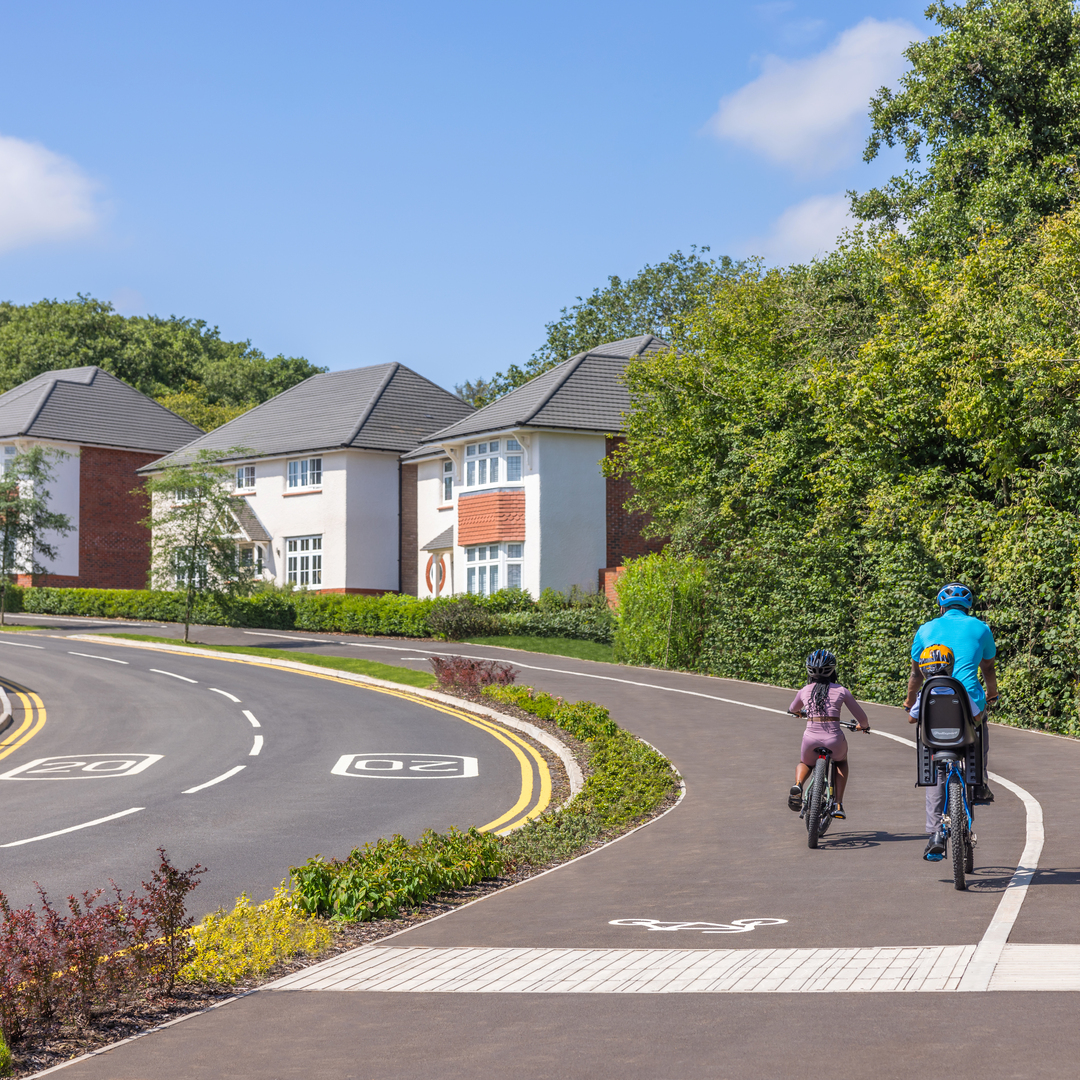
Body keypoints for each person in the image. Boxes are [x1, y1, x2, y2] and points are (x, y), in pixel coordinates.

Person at [904, 583, 998, 860]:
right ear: (969, 606)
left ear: (941, 606)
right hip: (969, 698)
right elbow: (988, 667)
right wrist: (991, 693)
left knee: (936, 768)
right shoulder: (981, 628)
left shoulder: (926, 629)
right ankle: (979, 781)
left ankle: (934, 832)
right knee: (978, 729)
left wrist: (911, 702)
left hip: (931, 703)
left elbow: (915, 674)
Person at [788, 649, 870, 819]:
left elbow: (792, 709)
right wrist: (863, 726)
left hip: (810, 739)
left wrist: (801, 713)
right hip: (834, 740)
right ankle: (838, 803)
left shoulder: (804, 690)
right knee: (841, 762)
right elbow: (861, 717)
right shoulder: (841, 690)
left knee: (806, 763)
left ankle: (797, 785)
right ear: (832, 670)